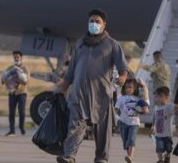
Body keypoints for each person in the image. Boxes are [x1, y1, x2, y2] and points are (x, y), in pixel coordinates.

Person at [56, 9, 129, 163]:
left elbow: (123, 68)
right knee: (75, 125)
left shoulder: (112, 45)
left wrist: (122, 77)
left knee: (102, 130)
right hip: (79, 93)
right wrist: (62, 86)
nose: (93, 24)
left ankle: (101, 158)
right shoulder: (80, 43)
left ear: (104, 25)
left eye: (97, 22)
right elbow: (71, 71)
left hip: (101, 94)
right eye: (91, 21)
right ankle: (69, 155)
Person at [115, 78, 149, 163]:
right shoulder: (121, 98)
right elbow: (116, 109)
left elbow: (146, 101)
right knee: (126, 144)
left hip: (134, 123)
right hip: (122, 123)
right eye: (126, 87)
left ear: (135, 88)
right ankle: (130, 158)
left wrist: (144, 86)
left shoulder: (139, 99)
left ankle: (131, 157)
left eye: (130, 87)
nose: (128, 89)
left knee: (131, 140)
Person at [3, 50, 29, 136]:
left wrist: (18, 76)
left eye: (17, 56)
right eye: (14, 57)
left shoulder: (25, 68)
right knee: (11, 112)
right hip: (12, 92)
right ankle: (12, 130)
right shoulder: (10, 68)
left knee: (21, 111)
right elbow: (4, 80)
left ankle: (21, 128)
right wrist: (8, 78)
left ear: (21, 57)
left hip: (22, 92)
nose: (16, 58)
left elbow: (26, 81)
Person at [152, 86, 175, 163]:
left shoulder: (169, 106)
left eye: (161, 96)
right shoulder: (156, 108)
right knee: (159, 148)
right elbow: (154, 118)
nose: (158, 98)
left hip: (168, 134)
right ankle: (160, 160)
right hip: (158, 134)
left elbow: (175, 110)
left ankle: (167, 156)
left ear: (167, 97)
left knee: (169, 148)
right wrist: (153, 126)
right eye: (157, 96)